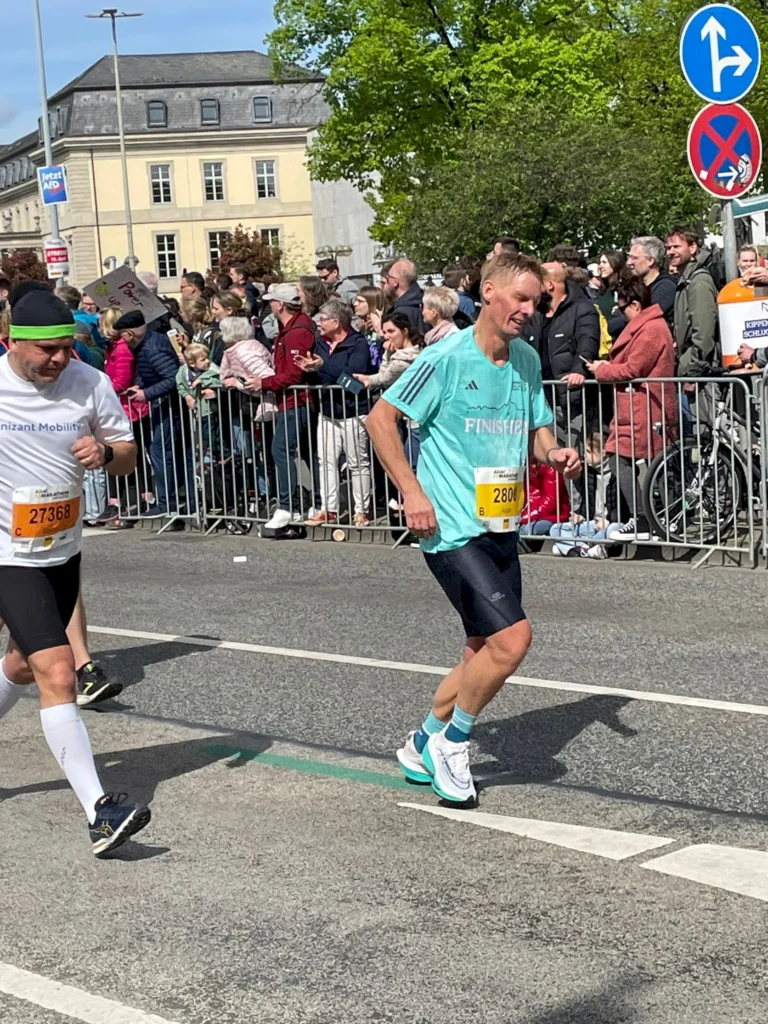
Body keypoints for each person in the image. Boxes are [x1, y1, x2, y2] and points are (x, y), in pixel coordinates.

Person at [364, 251, 580, 804]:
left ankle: (423, 740)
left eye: (537, 300)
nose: (530, 310)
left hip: (500, 521)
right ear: (488, 292)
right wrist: (412, 493)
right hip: (451, 526)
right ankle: (454, 741)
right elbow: (380, 420)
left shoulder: (527, 359)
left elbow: (537, 430)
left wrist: (555, 454)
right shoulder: (448, 358)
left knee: (480, 648)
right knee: (514, 641)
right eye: (522, 298)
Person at [0, 286, 151, 854]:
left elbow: (127, 450)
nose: (62, 359)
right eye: (50, 351)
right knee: (59, 673)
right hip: (7, 555)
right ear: (13, 342)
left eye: (68, 347)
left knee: (19, 665)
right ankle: (99, 811)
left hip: (62, 550)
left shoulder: (89, 381)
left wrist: (107, 456)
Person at [585, 276, 676, 542]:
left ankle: (646, 519)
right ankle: (652, 519)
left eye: (622, 307)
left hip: (644, 406)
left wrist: (602, 370)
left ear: (635, 305)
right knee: (647, 462)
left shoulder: (650, 329)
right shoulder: (649, 326)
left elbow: (633, 368)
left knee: (627, 458)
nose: (620, 314)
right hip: (638, 405)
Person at [297, 299, 374, 527]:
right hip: (327, 411)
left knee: (357, 463)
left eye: (322, 320)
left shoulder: (357, 344)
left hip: (353, 411)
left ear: (336, 321)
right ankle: (328, 509)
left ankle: (362, 510)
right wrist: (309, 370)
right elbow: (322, 377)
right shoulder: (319, 344)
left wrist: (323, 368)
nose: (318, 324)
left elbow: (353, 379)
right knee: (326, 462)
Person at [254, 284, 320, 530]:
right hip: (292, 401)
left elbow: (293, 375)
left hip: (296, 401)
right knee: (304, 451)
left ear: (280, 305)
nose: (270, 306)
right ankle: (315, 502)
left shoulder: (296, 332)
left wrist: (264, 382)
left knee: (281, 449)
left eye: (272, 302)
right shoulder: (292, 330)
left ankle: (287, 506)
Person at [118, 311, 185, 518]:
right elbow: (147, 372)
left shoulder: (153, 348)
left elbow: (172, 378)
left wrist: (146, 393)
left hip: (168, 406)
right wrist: (138, 384)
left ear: (130, 333)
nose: (122, 340)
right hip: (161, 404)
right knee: (160, 451)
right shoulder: (145, 345)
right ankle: (169, 500)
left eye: (123, 335)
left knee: (160, 451)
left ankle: (168, 502)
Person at [524, 262, 600, 409]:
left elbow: (588, 341)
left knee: (576, 431)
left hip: (574, 396)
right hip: (542, 397)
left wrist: (579, 370)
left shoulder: (583, 309)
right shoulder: (535, 313)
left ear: (549, 285)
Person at [103, 308, 153, 526]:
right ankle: (119, 502)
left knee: (132, 455)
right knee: (118, 455)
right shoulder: (114, 347)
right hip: (119, 407)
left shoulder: (122, 349)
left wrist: (101, 389)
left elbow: (121, 381)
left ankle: (139, 499)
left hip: (129, 409)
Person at [666, 226, 718, 377]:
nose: (671, 252)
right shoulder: (687, 280)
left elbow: (703, 335)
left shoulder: (699, 281)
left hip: (702, 372)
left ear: (693, 247)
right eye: (668, 248)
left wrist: (690, 368)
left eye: (676, 246)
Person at [176, 342, 222, 457]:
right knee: (200, 436)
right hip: (196, 411)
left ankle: (217, 457)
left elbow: (220, 380)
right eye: (203, 359)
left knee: (212, 436)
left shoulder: (211, 370)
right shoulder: (182, 371)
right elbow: (180, 385)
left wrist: (204, 381)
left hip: (209, 410)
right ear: (191, 363)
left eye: (207, 358)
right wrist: (186, 396)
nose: (207, 361)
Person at [626, 236, 676, 331]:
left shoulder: (665, 287)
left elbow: (645, 321)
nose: (629, 262)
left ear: (650, 260)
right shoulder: (634, 286)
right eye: (629, 257)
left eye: (634, 258)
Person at [382, 259, 427, 335]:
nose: (387, 281)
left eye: (388, 277)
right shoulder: (426, 301)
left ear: (395, 282)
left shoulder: (401, 312)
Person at [204, 291, 245, 365]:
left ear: (229, 310)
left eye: (216, 309)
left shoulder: (239, 334)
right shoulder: (220, 331)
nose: (212, 311)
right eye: (212, 308)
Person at [594, 249, 626, 322]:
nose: (600, 266)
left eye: (604, 262)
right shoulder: (602, 290)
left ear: (615, 263)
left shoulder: (624, 289)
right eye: (600, 263)